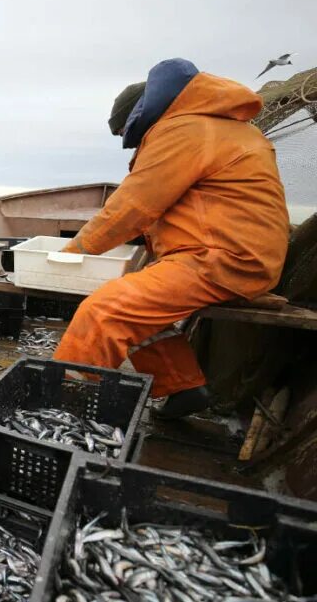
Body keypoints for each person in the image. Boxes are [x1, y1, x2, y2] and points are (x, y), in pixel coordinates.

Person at [53, 58, 290, 419]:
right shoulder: (218, 125)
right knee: (140, 308)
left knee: (103, 312)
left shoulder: (184, 130)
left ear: (142, 117)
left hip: (221, 259)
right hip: (238, 255)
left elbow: (133, 207)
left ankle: (60, 409)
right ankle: (184, 388)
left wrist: (69, 254)